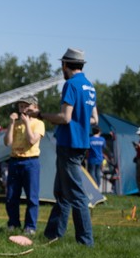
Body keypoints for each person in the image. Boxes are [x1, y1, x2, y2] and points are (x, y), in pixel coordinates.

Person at [41, 48, 98, 246]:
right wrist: (80, 122)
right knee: (62, 192)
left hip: (68, 144)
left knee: (76, 195)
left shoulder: (71, 85)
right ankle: (52, 234)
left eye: (62, 65)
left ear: (65, 65)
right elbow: (94, 118)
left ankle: (85, 241)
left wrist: (41, 115)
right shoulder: (90, 87)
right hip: (81, 143)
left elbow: (65, 118)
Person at [4, 95, 44, 235]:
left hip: (30, 162)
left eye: (26, 106)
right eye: (20, 106)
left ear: (35, 108)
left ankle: (30, 226)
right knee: (11, 196)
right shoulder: (15, 124)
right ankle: (13, 223)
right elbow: (7, 142)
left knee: (32, 197)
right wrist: (11, 123)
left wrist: (27, 123)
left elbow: (32, 140)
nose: (23, 109)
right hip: (15, 161)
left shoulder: (38, 123)